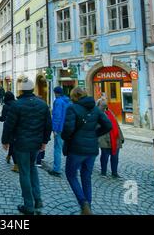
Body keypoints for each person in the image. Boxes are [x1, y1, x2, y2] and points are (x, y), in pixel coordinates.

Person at [3, 76, 52, 215]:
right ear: (32, 89)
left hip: (21, 144)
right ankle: (38, 199)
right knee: (33, 169)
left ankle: (29, 205)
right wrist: (44, 142)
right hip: (36, 143)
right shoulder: (42, 104)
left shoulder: (17, 105)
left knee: (24, 172)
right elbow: (48, 125)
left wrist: (5, 141)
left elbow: (9, 125)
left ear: (21, 91)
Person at [62, 87, 112, 215]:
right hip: (91, 149)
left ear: (74, 97)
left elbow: (68, 129)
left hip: (76, 149)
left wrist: (66, 137)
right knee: (86, 177)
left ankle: (83, 203)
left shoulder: (72, 108)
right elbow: (108, 125)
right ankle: (87, 207)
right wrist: (95, 134)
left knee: (71, 175)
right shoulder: (95, 109)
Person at [97, 99, 124, 178]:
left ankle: (114, 172)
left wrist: (121, 137)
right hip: (104, 138)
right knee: (105, 156)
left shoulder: (110, 113)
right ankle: (103, 172)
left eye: (105, 106)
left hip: (115, 138)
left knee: (115, 156)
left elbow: (117, 125)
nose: (104, 107)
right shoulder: (97, 114)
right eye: (102, 105)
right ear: (98, 105)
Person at [48, 87, 71, 177]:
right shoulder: (68, 101)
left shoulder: (58, 102)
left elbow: (57, 116)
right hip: (67, 128)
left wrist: (54, 129)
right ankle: (72, 169)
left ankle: (56, 169)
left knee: (57, 149)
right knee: (68, 149)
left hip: (60, 128)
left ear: (56, 93)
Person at [0, 91, 18, 172]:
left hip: (9, 127)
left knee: (12, 144)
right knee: (13, 143)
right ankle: (9, 156)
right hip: (18, 127)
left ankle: (16, 165)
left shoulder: (6, 106)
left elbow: (3, 118)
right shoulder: (17, 104)